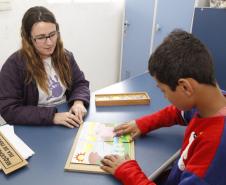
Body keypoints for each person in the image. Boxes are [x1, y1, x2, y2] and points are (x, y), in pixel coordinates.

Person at [101, 30, 226, 185]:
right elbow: (178, 113)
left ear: (185, 87)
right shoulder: (210, 102)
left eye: (163, 91)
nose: (164, 97)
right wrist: (142, 124)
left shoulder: (214, 153)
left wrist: (128, 172)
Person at [0, 6, 90, 128]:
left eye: (52, 34)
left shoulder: (66, 56)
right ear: (28, 39)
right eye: (41, 37)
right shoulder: (14, 65)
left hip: (67, 116)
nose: (50, 42)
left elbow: (80, 83)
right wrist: (52, 117)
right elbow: (9, 110)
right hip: (37, 123)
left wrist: (78, 102)